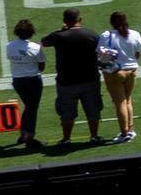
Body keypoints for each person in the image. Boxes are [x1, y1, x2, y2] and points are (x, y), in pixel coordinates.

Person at [41, 9, 103, 145]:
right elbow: (101, 52)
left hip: (66, 82)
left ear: (65, 21)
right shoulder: (91, 34)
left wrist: (61, 30)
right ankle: (94, 136)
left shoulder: (59, 36)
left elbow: (43, 42)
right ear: (80, 19)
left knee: (67, 113)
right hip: (90, 79)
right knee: (93, 110)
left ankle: (66, 138)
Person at [97, 11, 141, 144]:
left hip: (116, 73)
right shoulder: (135, 34)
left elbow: (100, 55)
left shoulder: (107, 35)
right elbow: (138, 53)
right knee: (128, 100)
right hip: (132, 70)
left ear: (111, 22)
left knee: (120, 103)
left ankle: (124, 133)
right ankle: (130, 129)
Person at [6, 19, 44, 149]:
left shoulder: (9, 46)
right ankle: (30, 138)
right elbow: (41, 66)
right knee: (32, 109)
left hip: (17, 80)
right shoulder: (36, 47)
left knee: (29, 107)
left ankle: (23, 134)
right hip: (33, 80)